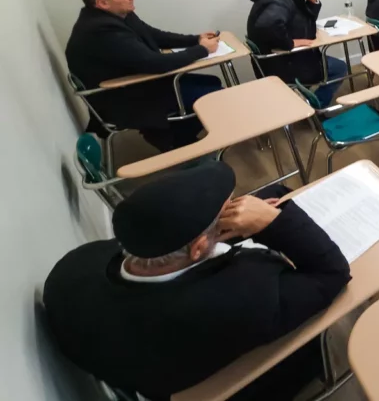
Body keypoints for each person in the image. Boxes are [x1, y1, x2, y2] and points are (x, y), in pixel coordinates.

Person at [43, 162, 352, 401]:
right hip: (249, 384)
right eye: (227, 210)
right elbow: (332, 273)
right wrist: (273, 223)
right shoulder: (248, 297)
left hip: (148, 373)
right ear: (199, 248)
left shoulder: (68, 276)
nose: (236, 207)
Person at [65, 0, 223, 152]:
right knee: (212, 94)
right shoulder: (100, 31)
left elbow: (155, 35)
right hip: (125, 97)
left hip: (140, 83)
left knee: (212, 82)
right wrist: (202, 50)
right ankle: (176, 142)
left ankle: (172, 135)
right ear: (102, 3)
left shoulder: (119, 15)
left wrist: (195, 40)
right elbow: (154, 63)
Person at [246, 0, 347, 107]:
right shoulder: (279, 1)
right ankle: (316, 106)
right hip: (287, 63)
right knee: (339, 67)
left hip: (281, 61)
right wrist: (291, 42)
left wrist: (313, 1)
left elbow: (303, 18)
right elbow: (267, 24)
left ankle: (298, 97)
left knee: (330, 62)